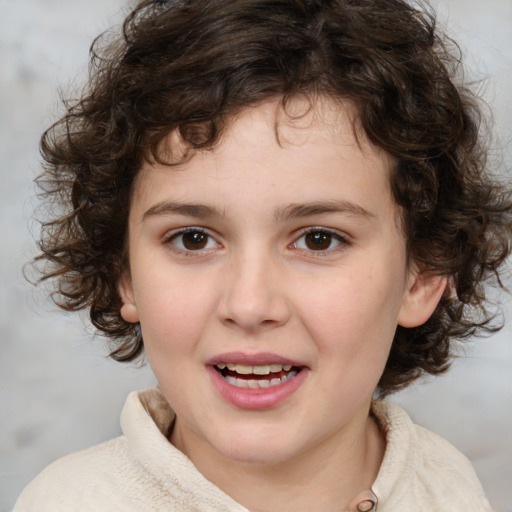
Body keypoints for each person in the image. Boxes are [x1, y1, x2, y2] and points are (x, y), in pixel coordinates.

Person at [14, 0, 512, 510]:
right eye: (193, 239)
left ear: (422, 275)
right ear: (124, 274)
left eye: (319, 239)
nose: (250, 305)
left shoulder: (450, 488)